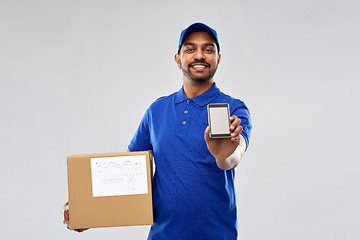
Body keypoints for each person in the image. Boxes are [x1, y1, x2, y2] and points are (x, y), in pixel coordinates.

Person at [64, 22, 252, 240]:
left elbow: (233, 158)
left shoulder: (234, 108)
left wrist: (223, 155)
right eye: (190, 49)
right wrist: (88, 211)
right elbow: (128, 172)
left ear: (218, 58)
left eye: (208, 49)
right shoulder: (157, 110)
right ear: (177, 58)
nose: (199, 55)